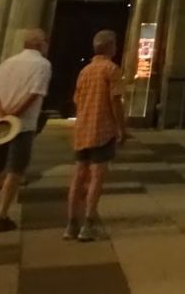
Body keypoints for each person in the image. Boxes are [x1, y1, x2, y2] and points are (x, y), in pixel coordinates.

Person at [0, 28, 52, 232]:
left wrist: (0, 113)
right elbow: (34, 93)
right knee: (15, 170)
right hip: (22, 125)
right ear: (39, 44)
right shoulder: (42, 65)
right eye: (45, 42)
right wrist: (14, 114)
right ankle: (2, 214)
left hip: (0, 124)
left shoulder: (8, 62)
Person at [65, 29, 127, 242]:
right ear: (111, 47)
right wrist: (121, 128)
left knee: (79, 175)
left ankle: (71, 223)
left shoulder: (85, 71)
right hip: (102, 129)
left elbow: (77, 100)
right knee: (97, 177)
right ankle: (89, 223)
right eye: (115, 44)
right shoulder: (111, 69)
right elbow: (115, 100)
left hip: (83, 129)